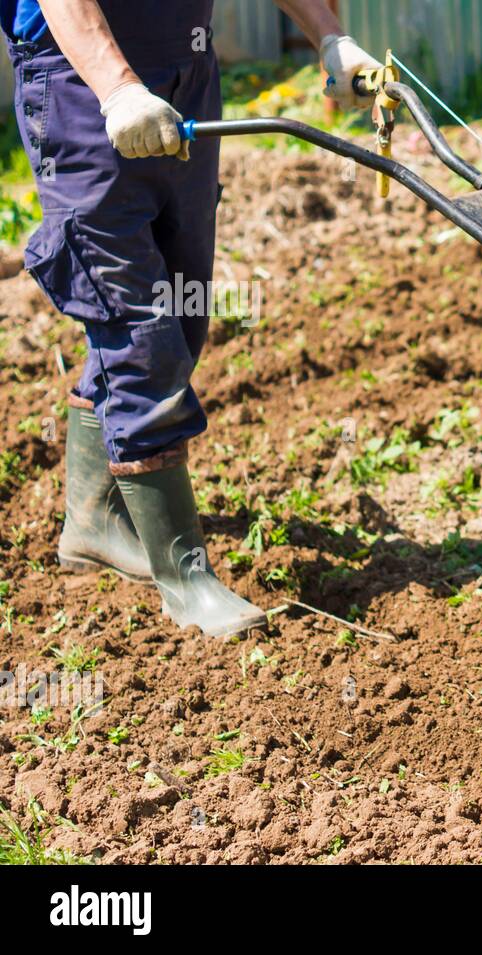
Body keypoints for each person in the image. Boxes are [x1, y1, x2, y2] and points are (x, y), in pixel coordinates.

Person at [2, 1, 381, 636]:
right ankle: (186, 576)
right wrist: (119, 89)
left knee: (182, 312)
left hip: (187, 72)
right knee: (137, 327)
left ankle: (92, 522)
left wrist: (330, 37)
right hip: (80, 82)